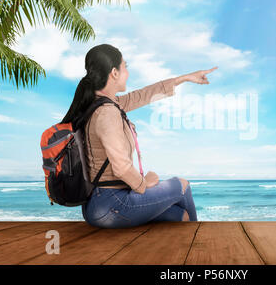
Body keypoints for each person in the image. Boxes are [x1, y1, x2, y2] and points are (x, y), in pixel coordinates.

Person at [61, 44, 218, 228]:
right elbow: (121, 167)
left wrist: (184, 78)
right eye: (125, 66)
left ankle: (186, 244)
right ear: (114, 73)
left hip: (100, 204)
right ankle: (198, 246)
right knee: (182, 185)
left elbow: (142, 95)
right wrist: (144, 184)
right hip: (112, 204)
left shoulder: (101, 105)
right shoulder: (107, 113)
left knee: (180, 215)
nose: (127, 72)